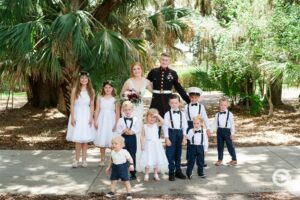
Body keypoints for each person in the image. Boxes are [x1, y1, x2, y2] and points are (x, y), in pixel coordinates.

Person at [147, 53, 190, 137]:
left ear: (169, 62)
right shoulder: (153, 71)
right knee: (154, 120)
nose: (164, 61)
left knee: (169, 121)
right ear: (160, 60)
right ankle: (155, 142)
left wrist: (188, 100)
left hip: (168, 101)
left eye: (166, 60)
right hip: (156, 100)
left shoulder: (173, 73)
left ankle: (170, 143)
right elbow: (145, 83)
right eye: (163, 60)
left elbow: (179, 88)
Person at [121, 62, 152, 172]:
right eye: (134, 69)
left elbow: (155, 92)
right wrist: (128, 96)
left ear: (142, 70)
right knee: (128, 135)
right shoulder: (128, 81)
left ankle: (138, 162)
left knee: (138, 134)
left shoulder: (146, 82)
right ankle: (127, 162)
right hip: (128, 110)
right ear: (132, 71)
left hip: (139, 111)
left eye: (138, 69)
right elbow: (121, 95)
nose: (136, 71)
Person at [66, 71, 95, 168]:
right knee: (78, 140)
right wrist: (73, 117)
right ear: (79, 79)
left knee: (85, 140)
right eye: (82, 78)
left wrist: (91, 117)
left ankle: (84, 160)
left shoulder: (91, 91)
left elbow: (91, 105)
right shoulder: (75, 90)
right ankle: (76, 160)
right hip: (77, 114)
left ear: (88, 80)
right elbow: (72, 104)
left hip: (86, 115)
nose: (84, 80)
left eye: (85, 78)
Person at [94, 80, 120, 166]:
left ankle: (113, 159)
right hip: (102, 119)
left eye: (109, 87)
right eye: (106, 87)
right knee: (102, 139)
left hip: (111, 120)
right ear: (103, 88)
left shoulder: (115, 98)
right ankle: (102, 159)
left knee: (112, 141)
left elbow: (117, 112)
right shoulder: (100, 97)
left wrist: (116, 124)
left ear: (112, 88)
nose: (108, 89)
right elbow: (97, 110)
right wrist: (95, 121)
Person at [183, 87, 210, 166]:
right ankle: (188, 160)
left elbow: (205, 117)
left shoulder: (201, 107)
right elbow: (184, 119)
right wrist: (184, 131)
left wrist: (208, 128)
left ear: (199, 98)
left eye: (196, 98)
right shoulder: (186, 107)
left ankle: (201, 160)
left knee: (200, 142)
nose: (194, 99)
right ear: (189, 97)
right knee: (190, 143)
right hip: (189, 125)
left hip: (199, 125)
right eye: (192, 97)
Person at [163, 94, 188, 181]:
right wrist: (166, 138)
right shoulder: (167, 114)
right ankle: (171, 172)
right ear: (169, 103)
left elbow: (185, 125)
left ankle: (178, 171)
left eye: (176, 103)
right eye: (172, 103)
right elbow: (165, 126)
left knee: (178, 153)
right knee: (170, 153)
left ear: (179, 103)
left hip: (180, 133)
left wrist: (184, 137)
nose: (174, 105)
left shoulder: (182, 114)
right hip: (171, 133)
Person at [139, 108, 169, 181]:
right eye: (150, 116)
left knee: (156, 158)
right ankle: (146, 173)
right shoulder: (144, 126)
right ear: (147, 117)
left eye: (154, 117)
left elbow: (164, 122)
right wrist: (142, 145)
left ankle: (155, 174)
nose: (152, 118)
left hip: (156, 144)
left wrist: (158, 115)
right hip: (148, 144)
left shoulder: (156, 124)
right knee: (147, 159)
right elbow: (142, 136)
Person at [116, 101, 141, 180]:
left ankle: (133, 173)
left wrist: (132, 131)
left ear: (132, 110)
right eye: (126, 110)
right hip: (123, 139)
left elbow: (138, 129)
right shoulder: (120, 120)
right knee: (123, 155)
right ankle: (123, 173)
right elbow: (118, 129)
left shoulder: (136, 119)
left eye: (129, 109)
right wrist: (124, 130)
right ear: (123, 110)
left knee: (132, 155)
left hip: (132, 138)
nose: (127, 111)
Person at [105, 136, 134, 200]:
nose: (113, 145)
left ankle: (129, 193)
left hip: (122, 167)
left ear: (121, 145)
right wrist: (109, 167)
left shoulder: (124, 151)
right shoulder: (112, 152)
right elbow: (111, 160)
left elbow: (130, 158)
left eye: (116, 143)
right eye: (112, 143)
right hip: (115, 168)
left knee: (126, 181)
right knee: (113, 181)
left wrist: (131, 165)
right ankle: (112, 192)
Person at [211, 97, 237, 166]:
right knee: (220, 146)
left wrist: (232, 133)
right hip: (219, 131)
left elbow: (232, 124)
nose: (223, 106)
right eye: (221, 105)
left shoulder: (230, 114)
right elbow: (214, 124)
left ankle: (234, 159)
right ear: (219, 105)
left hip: (227, 131)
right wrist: (210, 131)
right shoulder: (217, 114)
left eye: (225, 105)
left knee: (230, 146)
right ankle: (220, 160)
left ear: (227, 105)